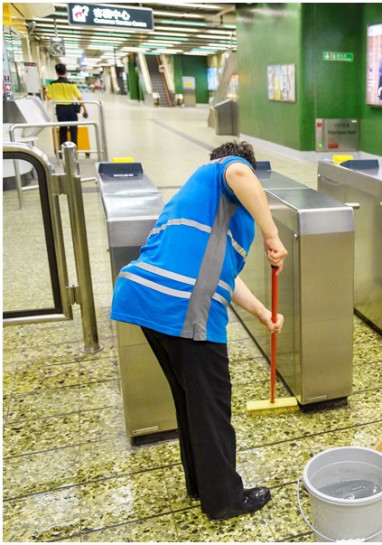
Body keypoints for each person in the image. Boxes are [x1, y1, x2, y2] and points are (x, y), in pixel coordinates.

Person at [110, 140, 288, 521]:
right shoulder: (228, 171)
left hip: (147, 301)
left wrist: (262, 312)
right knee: (211, 407)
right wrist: (273, 235)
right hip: (183, 310)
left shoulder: (215, 211)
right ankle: (224, 499)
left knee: (192, 401)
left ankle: (201, 484)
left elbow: (226, 277)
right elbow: (238, 172)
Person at [46, 63, 88, 148]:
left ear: (57, 73)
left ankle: (63, 151)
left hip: (60, 109)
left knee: (63, 130)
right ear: (66, 72)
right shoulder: (71, 84)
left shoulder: (52, 84)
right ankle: (74, 150)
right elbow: (79, 98)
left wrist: (44, 90)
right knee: (73, 130)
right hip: (71, 109)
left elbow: (48, 98)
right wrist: (85, 109)